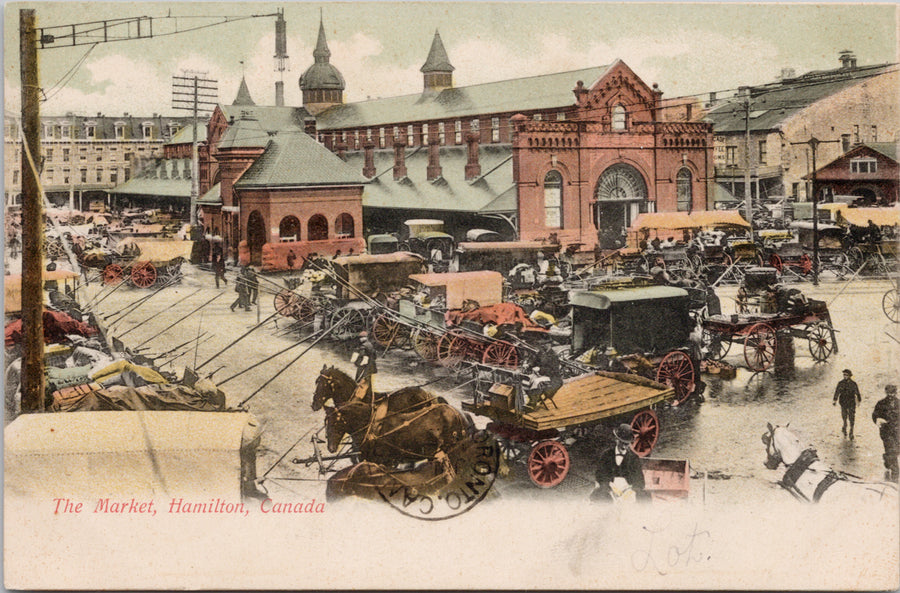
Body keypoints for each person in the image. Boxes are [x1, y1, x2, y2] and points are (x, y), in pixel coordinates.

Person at [591, 423, 649, 503]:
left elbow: (639, 481)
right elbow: (600, 475)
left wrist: (630, 491)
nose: (624, 447)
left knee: (645, 498)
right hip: (609, 490)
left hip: (628, 490)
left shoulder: (634, 458)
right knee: (598, 497)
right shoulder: (606, 454)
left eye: (627, 444)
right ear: (616, 440)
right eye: (622, 443)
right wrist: (610, 490)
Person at [525, 340, 563, 409]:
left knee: (536, 382)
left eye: (545, 344)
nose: (543, 346)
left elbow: (553, 370)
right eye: (542, 344)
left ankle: (533, 403)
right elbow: (535, 361)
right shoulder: (541, 352)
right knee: (527, 380)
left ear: (549, 345)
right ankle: (532, 398)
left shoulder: (553, 355)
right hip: (540, 374)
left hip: (551, 377)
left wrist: (540, 369)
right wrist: (529, 365)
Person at [872, 384, 899, 481]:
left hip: (897, 431)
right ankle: (895, 473)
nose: (891, 395)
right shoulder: (881, 403)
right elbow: (875, 415)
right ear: (886, 393)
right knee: (892, 449)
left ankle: (887, 459)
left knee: (896, 450)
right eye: (889, 393)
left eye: (893, 393)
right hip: (886, 431)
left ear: (895, 393)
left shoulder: (899, 403)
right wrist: (878, 421)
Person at [833, 368, 862, 439]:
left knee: (852, 417)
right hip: (843, 402)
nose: (845, 376)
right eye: (844, 375)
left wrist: (859, 400)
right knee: (844, 416)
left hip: (851, 402)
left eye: (846, 375)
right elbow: (837, 392)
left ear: (850, 376)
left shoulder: (853, 384)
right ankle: (845, 424)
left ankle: (851, 430)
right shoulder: (840, 383)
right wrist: (835, 400)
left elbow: (857, 393)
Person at [351, 331, 378, 398]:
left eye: (361, 338)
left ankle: (359, 396)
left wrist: (357, 363)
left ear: (364, 338)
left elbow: (362, 356)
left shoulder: (363, 346)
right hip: (372, 365)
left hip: (365, 366)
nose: (360, 339)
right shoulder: (370, 344)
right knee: (368, 381)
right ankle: (369, 394)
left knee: (359, 380)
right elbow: (375, 356)